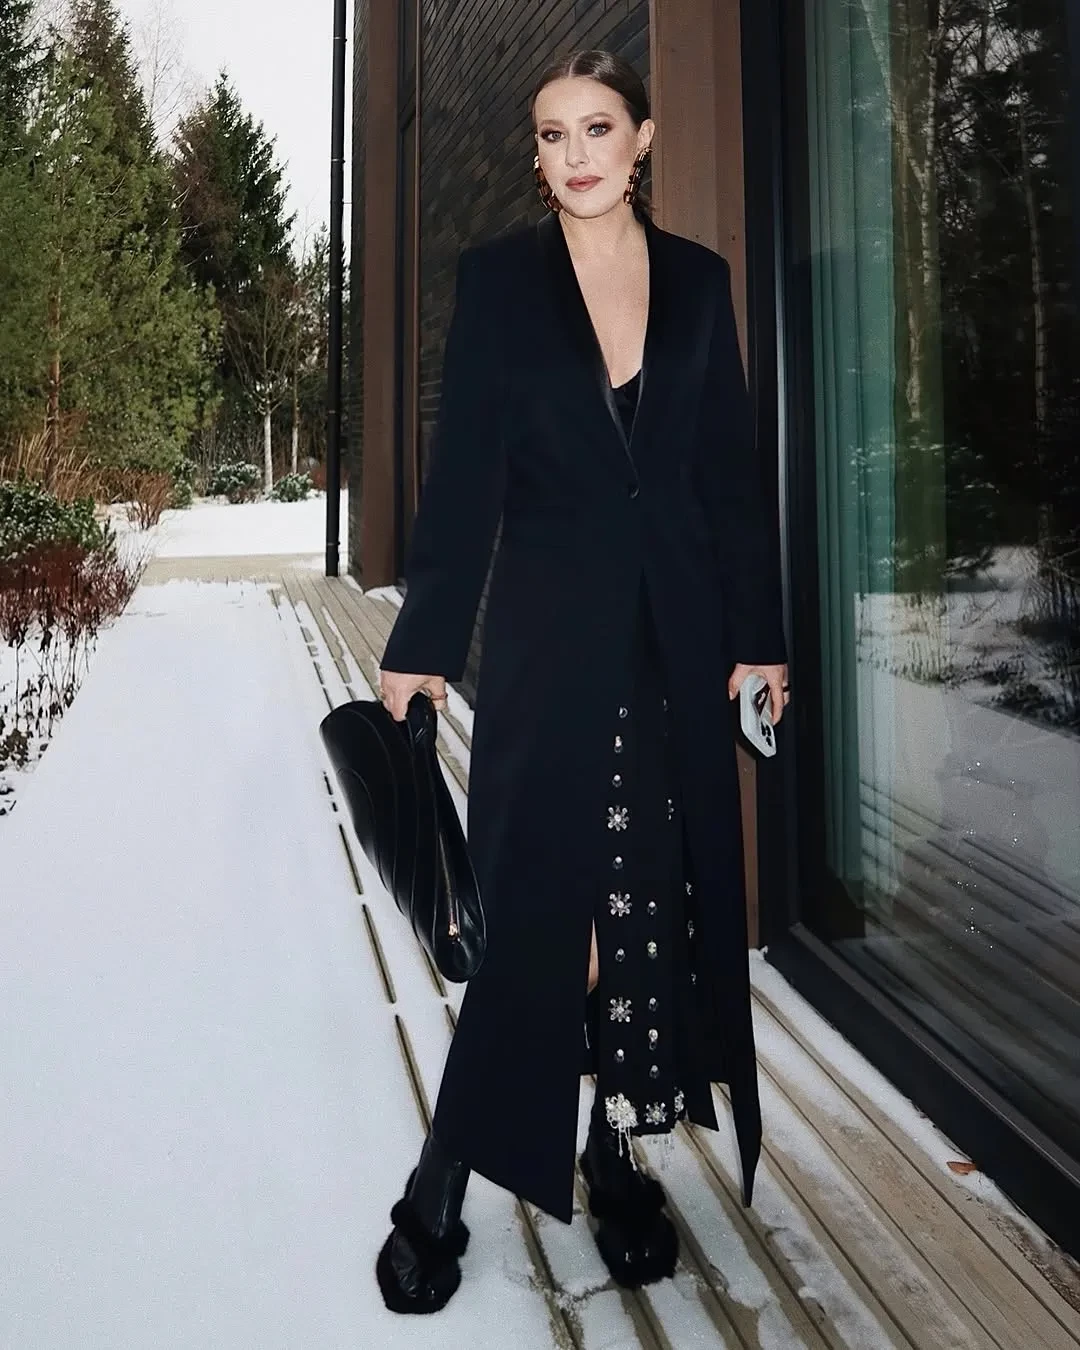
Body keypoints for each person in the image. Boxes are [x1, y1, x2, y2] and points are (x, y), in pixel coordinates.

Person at [374, 48, 789, 1315]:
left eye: (598, 128)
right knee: (539, 921)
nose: (576, 155)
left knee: (646, 916)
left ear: (643, 137)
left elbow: (726, 476)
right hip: (549, 655)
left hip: (672, 647)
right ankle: (441, 1180)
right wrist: (423, 644)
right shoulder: (501, 283)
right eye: (553, 135)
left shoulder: (701, 282)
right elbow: (465, 481)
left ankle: (613, 1157)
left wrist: (760, 636)